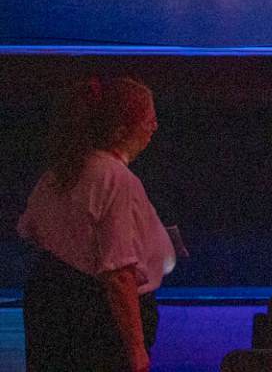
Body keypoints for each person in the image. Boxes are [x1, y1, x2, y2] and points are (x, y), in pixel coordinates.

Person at [18, 76, 173, 372]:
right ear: (121, 131)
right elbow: (118, 274)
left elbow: (31, 228)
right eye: (149, 120)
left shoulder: (61, 170)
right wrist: (136, 350)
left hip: (49, 302)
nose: (154, 127)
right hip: (97, 319)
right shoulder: (115, 179)